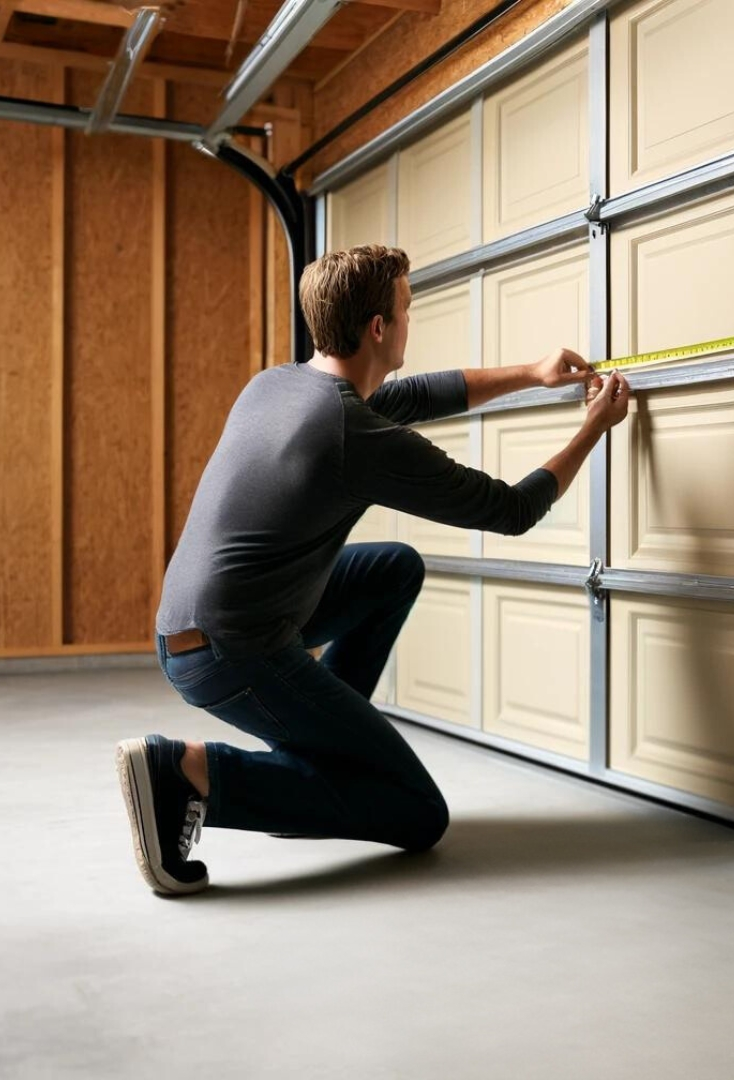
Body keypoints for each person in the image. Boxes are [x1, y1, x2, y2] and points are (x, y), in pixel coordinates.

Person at [116, 244, 631, 896]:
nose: (412, 319)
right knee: (416, 812)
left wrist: (533, 372)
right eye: (408, 307)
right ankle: (187, 773)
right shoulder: (345, 430)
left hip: (206, 624)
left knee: (393, 568)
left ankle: (309, 763)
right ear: (379, 328)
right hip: (227, 650)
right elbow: (511, 509)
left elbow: (415, 395)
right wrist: (594, 427)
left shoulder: (277, 385)